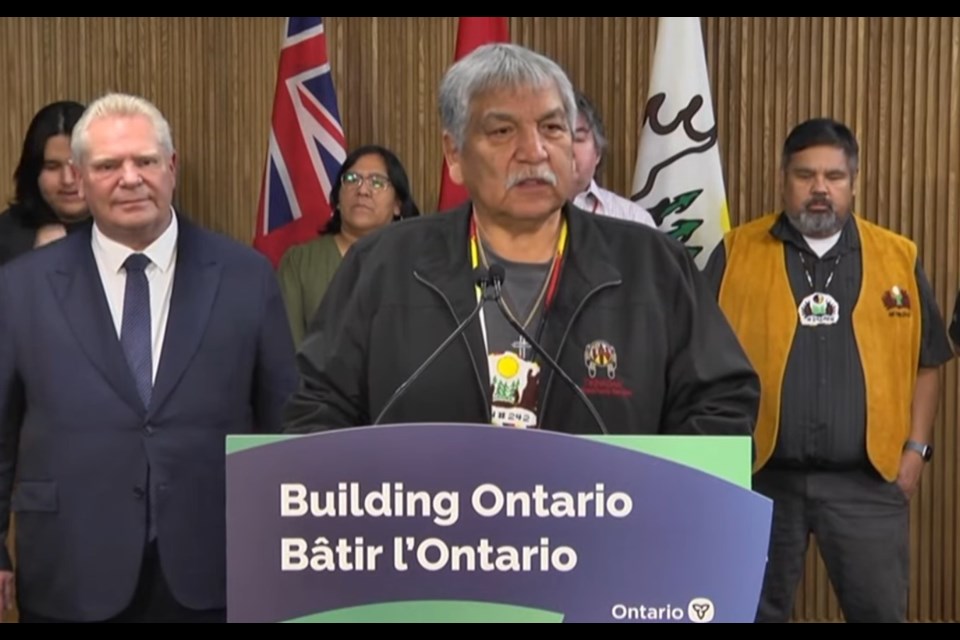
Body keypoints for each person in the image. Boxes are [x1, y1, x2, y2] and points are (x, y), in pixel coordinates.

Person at [281, 43, 759, 439]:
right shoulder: (383, 265)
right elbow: (318, 407)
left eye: (552, 128)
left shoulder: (653, 266)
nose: (533, 152)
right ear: (454, 154)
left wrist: (649, 499)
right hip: (428, 541)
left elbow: (720, 403)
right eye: (502, 130)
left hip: (607, 539)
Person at [0, 92, 299, 623]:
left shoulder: (245, 276)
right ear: (81, 176)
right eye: (109, 165)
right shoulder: (22, 287)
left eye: (145, 161)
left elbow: (282, 421)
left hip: (212, 569)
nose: (130, 178)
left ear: (172, 167)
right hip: (70, 567)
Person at [704, 117, 954, 623]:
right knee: (743, 613)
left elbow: (929, 361)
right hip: (758, 478)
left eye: (834, 177)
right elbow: (696, 359)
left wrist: (917, 449)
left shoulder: (898, 257)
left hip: (867, 483)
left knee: (880, 614)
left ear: (854, 183)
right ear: (783, 179)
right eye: (805, 175)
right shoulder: (736, 253)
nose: (820, 189)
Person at [277, 144, 420, 346]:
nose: (362, 190)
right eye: (352, 179)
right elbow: (287, 353)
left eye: (377, 182)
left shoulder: (417, 267)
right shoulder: (300, 263)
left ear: (397, 204)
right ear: (337, 199)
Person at [0, 100, 90, 266]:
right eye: (52, 166)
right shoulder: (5, 237)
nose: (68, 180)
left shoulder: (130, 227)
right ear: (33, 172)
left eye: (77, 165)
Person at [570, 90, 656, 228]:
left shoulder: (633, 220)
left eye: (578, 139)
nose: (567, 149)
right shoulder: (524, 215)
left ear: (597, 153)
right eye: (555, 137)